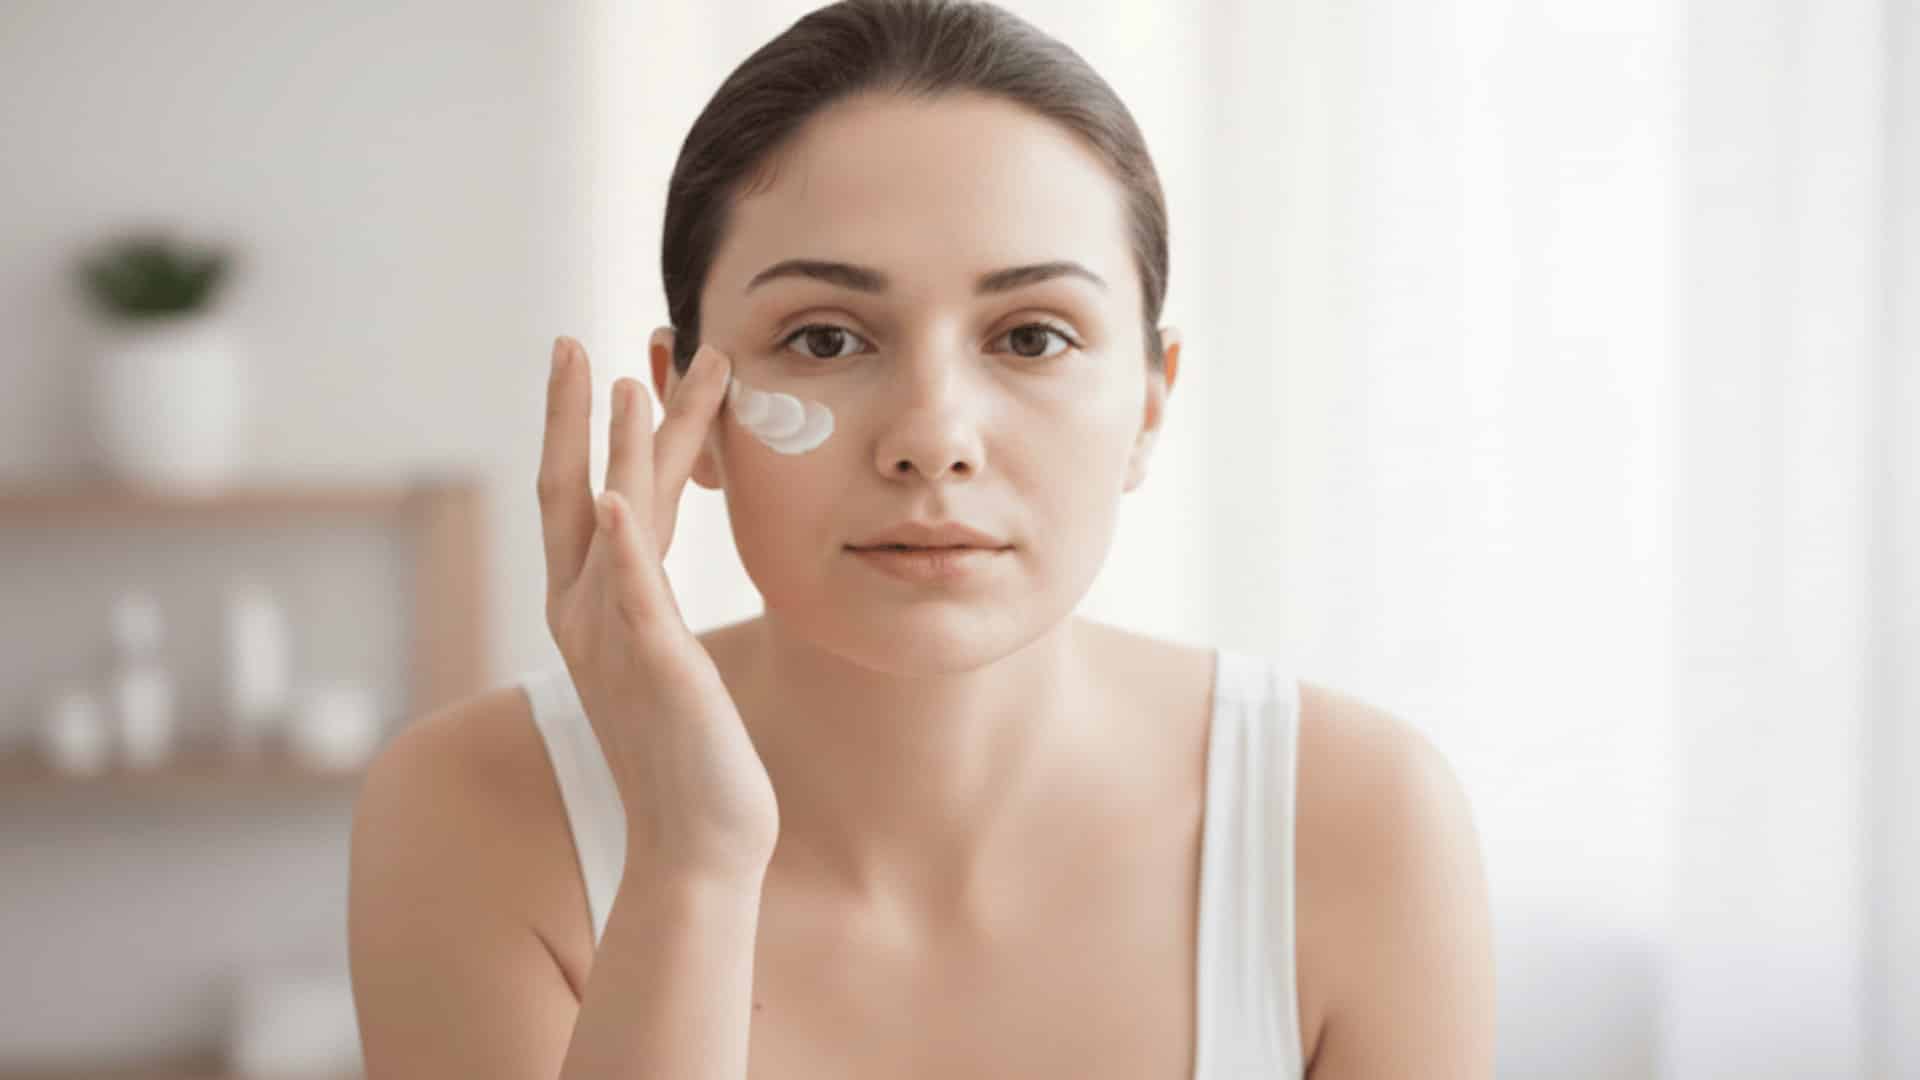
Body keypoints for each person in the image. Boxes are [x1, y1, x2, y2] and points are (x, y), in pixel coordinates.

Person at [346, 1, 1495, 1076]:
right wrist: (691, 860)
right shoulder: (474, 812)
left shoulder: (1357, 821)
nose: (933, 439)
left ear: (1151, 404)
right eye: (826, 339)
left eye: (1032, 337)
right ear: (690, 401)